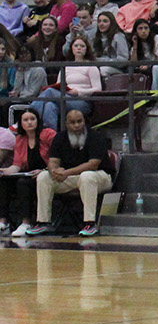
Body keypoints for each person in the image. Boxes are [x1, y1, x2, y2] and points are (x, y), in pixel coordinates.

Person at [22, 106, 112, 237]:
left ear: (84, 121)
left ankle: (90, 223)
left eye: (79, 121)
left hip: (100, 177)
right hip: (72, 178)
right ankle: (43, 222)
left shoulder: (96, 136)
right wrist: (54, 171)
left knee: (87, 176)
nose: (76, 125)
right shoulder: (59, 138)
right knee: (43, 177)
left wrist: (67, 173)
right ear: (66, 123)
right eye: (72, 122)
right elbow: (53, 161)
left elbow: (93, 165)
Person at [31, 35, 100, 133]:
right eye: (76, 46)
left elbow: (97, 89)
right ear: (72, 48)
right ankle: (50, 137)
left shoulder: (91, 67)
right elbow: (58, 84)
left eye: (82, 46)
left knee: (49, 91)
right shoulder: (65, 67)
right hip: (64, 97)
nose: (79, 48)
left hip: (82, 102)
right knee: (49, 106)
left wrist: (78, 92)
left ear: (87, 49)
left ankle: (29, 115)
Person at [2, 108, 52, 236]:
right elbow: (17, 164)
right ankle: (3, 222)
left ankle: (26, 222)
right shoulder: (20, 138)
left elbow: (58, 158)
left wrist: (44, 170)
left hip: (48, 174)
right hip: (29, 174)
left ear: (37, 121)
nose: (29, 122)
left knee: (22, 183)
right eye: (26, 120)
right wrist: (6, 171)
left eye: (32, 119)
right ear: (21, 123)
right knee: (3, 180)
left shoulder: (48, 134)